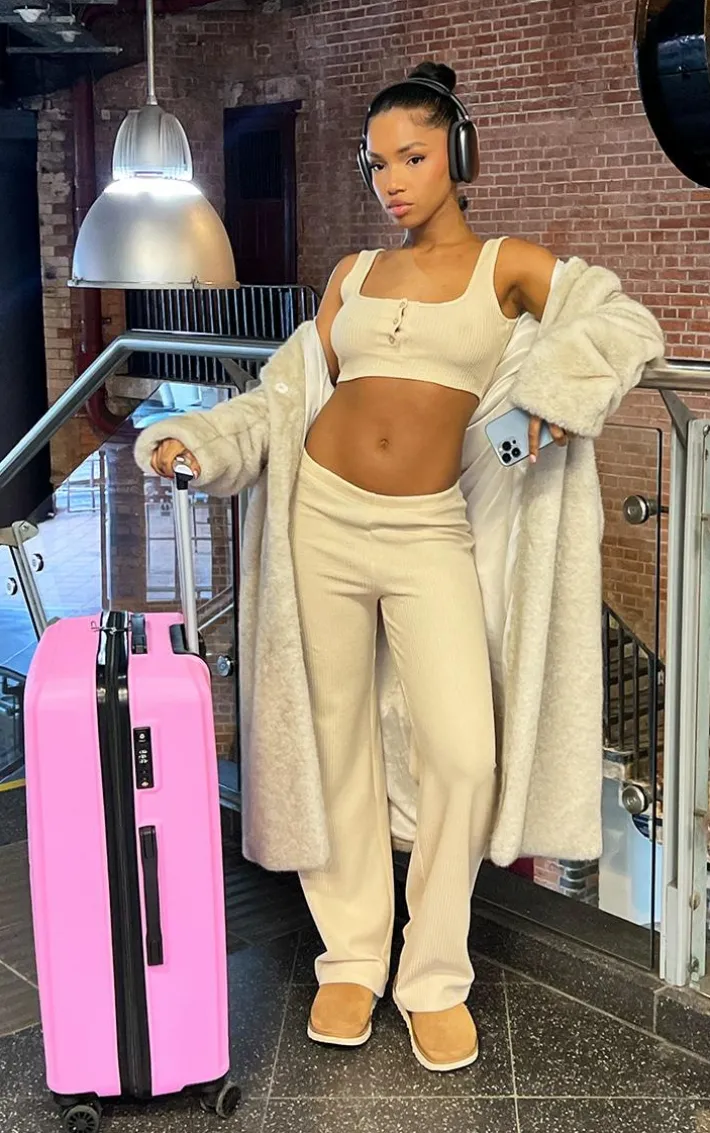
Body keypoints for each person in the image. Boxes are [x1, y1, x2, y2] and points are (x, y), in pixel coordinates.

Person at [136, 61, 665, 1073]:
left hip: (429, 530)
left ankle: (433, 974)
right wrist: (203, 438)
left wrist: (540, 408)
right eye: (376, 164)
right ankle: (350, 958)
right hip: (323, 522)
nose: (391, 182)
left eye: (412, 158)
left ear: (457, 157)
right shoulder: (352, 274)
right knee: (335, 741)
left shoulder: (507, 266)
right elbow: (286, 398)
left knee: (462, 750)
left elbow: (619, 321)